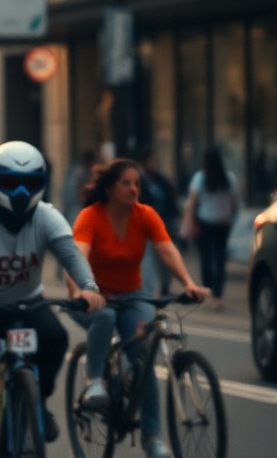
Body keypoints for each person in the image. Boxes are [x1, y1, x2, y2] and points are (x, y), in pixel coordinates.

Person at [0, 141, 105, 458]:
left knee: (55, 339)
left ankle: (39, 400)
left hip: (27, 305)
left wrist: (89, 286)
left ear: (42, 184)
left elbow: (72, 257)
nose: (21, 191)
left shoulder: (48, 217)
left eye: (30, 183)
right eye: (10, 182)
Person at [66, 158, 209, 458]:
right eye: (126, 183)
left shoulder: (145, 215)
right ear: (109, 189)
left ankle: (153, 439)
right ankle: (94, 383)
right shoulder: (91, 217)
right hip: (92, 296)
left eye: (137, 184)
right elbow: (76, 258)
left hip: (132, 296)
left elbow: (167, 249)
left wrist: (188, 283)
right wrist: (82, 291)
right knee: (104, 317)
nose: (134, 189)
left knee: (144, 364)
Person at [181, 146, 240, 311]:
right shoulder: (229, 178)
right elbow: (235, 203)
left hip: (205, 222)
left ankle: (208, 292)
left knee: (206, 259)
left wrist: (188, 223)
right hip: (223, 223)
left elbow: (192, 203)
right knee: (220, 259)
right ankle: (219, 296)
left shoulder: (200, 178)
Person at [137, 149, 181, 297]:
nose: (154, 164)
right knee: (148, 260)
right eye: (151, 161)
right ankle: (147, 291)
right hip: (146, 227)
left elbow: (171, 200)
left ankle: (165, 287)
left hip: (164, 223)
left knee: (166, 258)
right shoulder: (139, 181)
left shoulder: (161, 180)